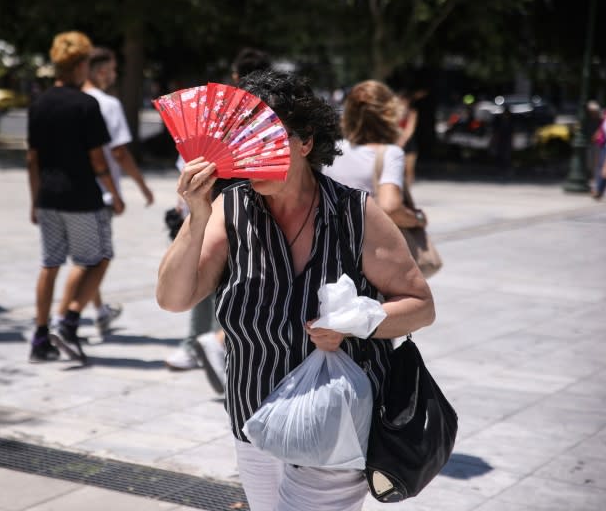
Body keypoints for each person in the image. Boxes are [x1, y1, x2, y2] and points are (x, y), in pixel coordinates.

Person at [156, 69, 435, 511]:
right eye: (242, 143)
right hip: (253, 415)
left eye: (267, 140)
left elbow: (421, 306)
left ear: (305, 142)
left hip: (336, 418)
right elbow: (174, 298)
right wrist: (196, 213)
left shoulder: (356, 213)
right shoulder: (231, 208)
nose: (251, 156)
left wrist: (358, 323)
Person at [163, 47, 272, 395]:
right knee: (241, 281)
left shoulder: (217, 114)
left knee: (199, 275)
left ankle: (197, 343)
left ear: (236, 77)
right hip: (250, 206)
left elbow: (191, 164)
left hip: (210, 201)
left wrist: (187, 207)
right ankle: (221, 344)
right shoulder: (269, 118)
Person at [26, 30, 124, 363]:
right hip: (82, 196)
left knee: (50, 264)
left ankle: (40, 338)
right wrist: (115, 193)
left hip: (49, 197)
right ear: (82, 65)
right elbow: (99, 161)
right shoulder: (86, 104)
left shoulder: (39, 104)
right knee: (98, 257)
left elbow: (32, 158)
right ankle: (68, 321)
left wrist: (34, 200)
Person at [54, 46, 154, 335]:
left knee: (85, 258)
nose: (114, 75)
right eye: (112, 69)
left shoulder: (68, 101)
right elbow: (119, 153)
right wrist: (141, 186)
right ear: (99, 71)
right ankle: (63, 321)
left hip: (67, 191)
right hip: (97, 194)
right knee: (93, 260)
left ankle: (98, 312)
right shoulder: (107, 104)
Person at [324, 80, 428, 230]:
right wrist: (417, 219)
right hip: (372, 246)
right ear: (389, 114)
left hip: (336, 242)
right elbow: (390, 208)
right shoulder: (390, 154)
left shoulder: (333, 149)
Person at [396, 88, 424, 187]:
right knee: (397, 168)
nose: (402, 102)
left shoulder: (412, 112)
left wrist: (402, 140)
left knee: (409, 169)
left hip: (408, 143)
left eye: (404, 100)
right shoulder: (393, 112)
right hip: (395, 141)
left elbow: (410, 129)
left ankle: (408, 190)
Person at [590, 106, 606, 200]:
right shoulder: (605, 114)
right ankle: (598, 190)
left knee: (604, 169)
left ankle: (598, 191)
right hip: (604, 146)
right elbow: (603, 127)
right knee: (601, 168)